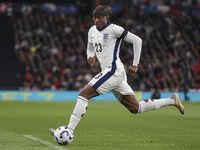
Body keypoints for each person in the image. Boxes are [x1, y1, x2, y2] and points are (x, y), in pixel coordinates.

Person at [49, 5, 185, 137]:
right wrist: (90, 57)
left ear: (106, 17)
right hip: (112, 73)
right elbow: (90, 47)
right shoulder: (92, 31)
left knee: (83, 95)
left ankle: (68, 130)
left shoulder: (115, 30)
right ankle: (172, 100)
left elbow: (137, 40)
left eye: (99, 18)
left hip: (113, 71)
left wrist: (135, 64)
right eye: (94, 18)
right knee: (135, 108)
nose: (96, 20)